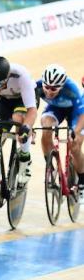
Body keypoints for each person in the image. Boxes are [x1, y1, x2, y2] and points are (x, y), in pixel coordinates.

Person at [0, 56, 37, 186]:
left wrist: (26, 127)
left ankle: (25, 158)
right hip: (3, 100)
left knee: (18, 120)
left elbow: (32, 110)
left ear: (8, 77)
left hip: (22, 99)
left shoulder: (21, 76)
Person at [35, 64, 84, 204]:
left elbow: (82, 115)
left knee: (75, 144)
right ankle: (50, 167)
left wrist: (75, 132)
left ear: (61, 86)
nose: (49, 91)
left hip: (76, 112)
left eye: (54, 88)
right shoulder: (36, 86)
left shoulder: (72, 89)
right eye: (47, 87)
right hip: (56, 109)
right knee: (45, 127)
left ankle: (82, 180)